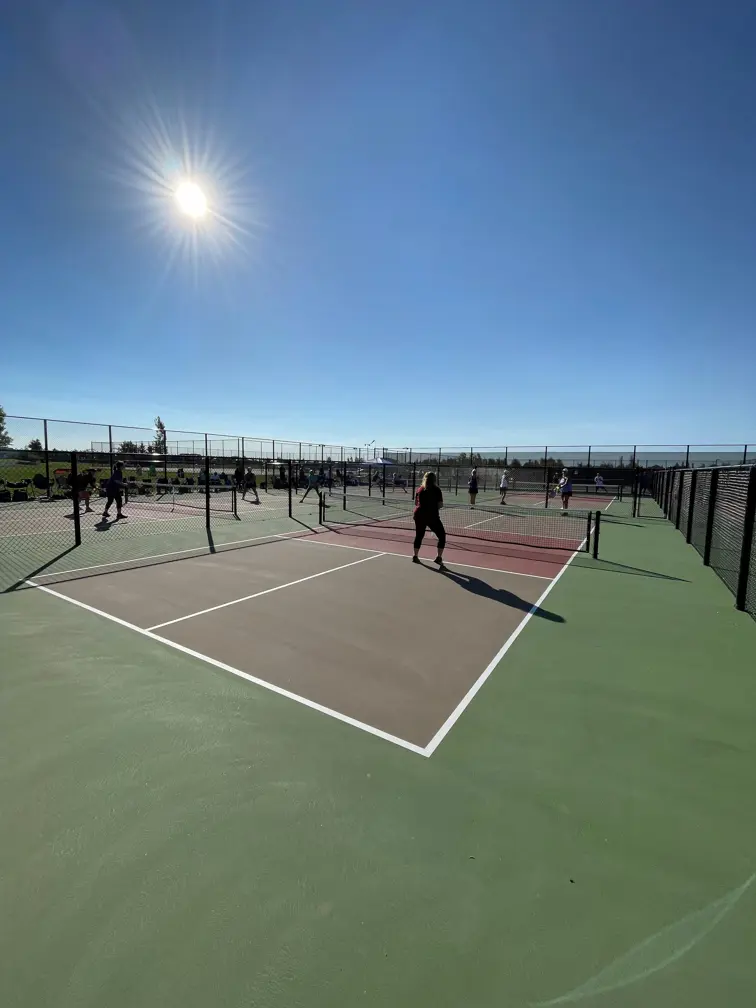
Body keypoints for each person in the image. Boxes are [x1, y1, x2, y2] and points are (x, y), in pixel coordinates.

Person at [412, 471, 446, 568]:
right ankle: (439, 558)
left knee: (419, 535)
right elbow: (440, 505)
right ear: (434, 479)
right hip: (432, 516)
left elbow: (416, 503)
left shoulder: (420, 489)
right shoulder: (437, 490)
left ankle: (415, 556)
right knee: (442, 536)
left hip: (419, 515)